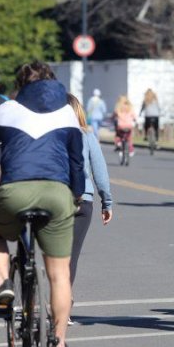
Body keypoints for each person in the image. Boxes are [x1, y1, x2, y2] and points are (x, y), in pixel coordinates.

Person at [0, 61, 84, 347]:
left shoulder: (6, 110)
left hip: (15, 191)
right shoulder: (67, 112)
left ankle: (4, 284)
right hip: (57, 193)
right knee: (59, 274)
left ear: (20, 84)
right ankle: (59, 346)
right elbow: (77, 162)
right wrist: (76, 195)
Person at [66, 94, 113, 322]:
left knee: (55, 255)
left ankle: (55, 297)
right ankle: (65, 302)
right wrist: (107, 201)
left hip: (53, 200)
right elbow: (100, 172)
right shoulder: (87, 135)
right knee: (71, 256)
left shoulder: (49, 136)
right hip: (82, 201)